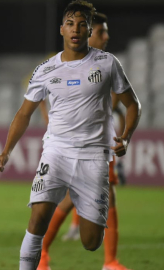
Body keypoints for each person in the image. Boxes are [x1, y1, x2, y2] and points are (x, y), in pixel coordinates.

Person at [0, 1, 141, 269]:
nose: (76, 30)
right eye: (70, 24)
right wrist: (6, 150)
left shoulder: (107, 64)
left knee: (90, 241)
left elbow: (133, 104)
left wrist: (127, 136)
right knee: (38, 217)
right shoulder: (46, 70)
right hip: (56, 152)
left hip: (95, 156)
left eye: (82, 25)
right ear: (62, 29)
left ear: (88, 31)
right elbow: (24, 113)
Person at [37, 12, 132, 270]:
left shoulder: (107, 64)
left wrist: (122, 135)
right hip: (78, 148)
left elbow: (121, 106)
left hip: (98, 147)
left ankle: (45, 254)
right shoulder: (71, 66)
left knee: (75, 200)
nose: (107, 37)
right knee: (82, 199)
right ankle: (107, 261)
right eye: (102, 32)